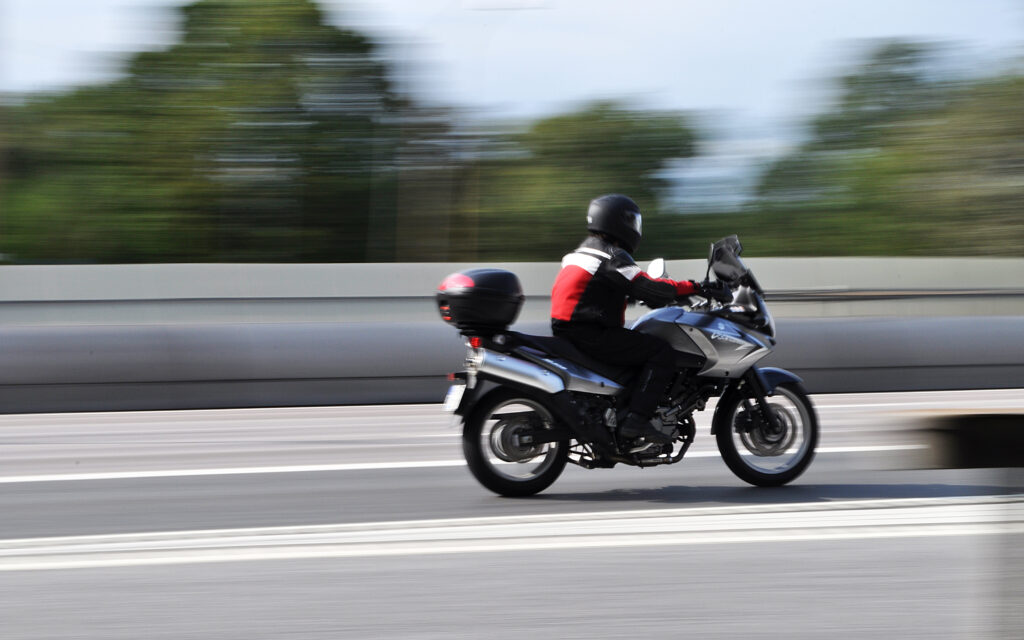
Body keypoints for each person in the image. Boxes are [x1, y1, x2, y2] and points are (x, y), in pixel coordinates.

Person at [550, 194, 732, 445]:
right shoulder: (611, 255)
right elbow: (648, 286)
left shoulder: (583, 252)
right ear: (618, 223)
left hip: (572, 330)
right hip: (590, 333)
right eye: (632, 222)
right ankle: (636, 421)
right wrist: (697, 287)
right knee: (660, 352)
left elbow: (602, 290)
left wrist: (635, 296)